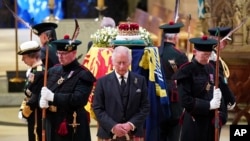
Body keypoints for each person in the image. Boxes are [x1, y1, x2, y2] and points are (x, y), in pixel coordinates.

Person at [39, 35, 96, 141]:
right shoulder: (53, 71)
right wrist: (41, 100)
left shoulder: (83, 74)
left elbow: (78, 99)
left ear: (74, 53)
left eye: (64, 53)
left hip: (71, 123)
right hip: (52, 121)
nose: (60, 56)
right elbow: (43, 91)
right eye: (58, 53)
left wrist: (53, 97)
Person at [173, 36, 228, 141]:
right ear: (195, 52)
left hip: (210, 123)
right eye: (204, 55)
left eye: (208, 55)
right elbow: (185, 100)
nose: (207, 58)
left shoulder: (211, 69)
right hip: (194, 122)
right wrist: (208, 105)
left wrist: (221, 114)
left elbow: (219, 94)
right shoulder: (186, 71)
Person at [92, 46, 150, 140]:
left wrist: (130, 124)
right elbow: (97, 108)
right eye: (119, 63)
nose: (122, 66)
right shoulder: (102, 82)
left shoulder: (140, 81)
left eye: (125, 62)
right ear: (113, 62)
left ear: (130, 62)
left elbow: (145, 107)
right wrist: (113, 126)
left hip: (133, 133)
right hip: (108, 133)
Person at [158, 21, 189, 141]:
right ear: (175, 37)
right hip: (173, 98)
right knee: (174, 132)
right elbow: (186, 78)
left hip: (156, 96)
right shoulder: (180, 55)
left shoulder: (154, 52)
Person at [17, 40, 44, 141]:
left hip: (36, 114)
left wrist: (24, 113)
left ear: (32, 56)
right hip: (33, 113)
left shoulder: (39, 73)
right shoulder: (34, 70)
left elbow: (35, 97)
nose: (22, 60)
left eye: (24, 57)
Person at [208, 27, 236, 110]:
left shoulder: (214, 55)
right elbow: (220, 80)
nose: (226, 44)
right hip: (212, 98)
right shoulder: (212, 57)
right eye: (225, 41)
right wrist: (231, 99)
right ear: (218, 41)